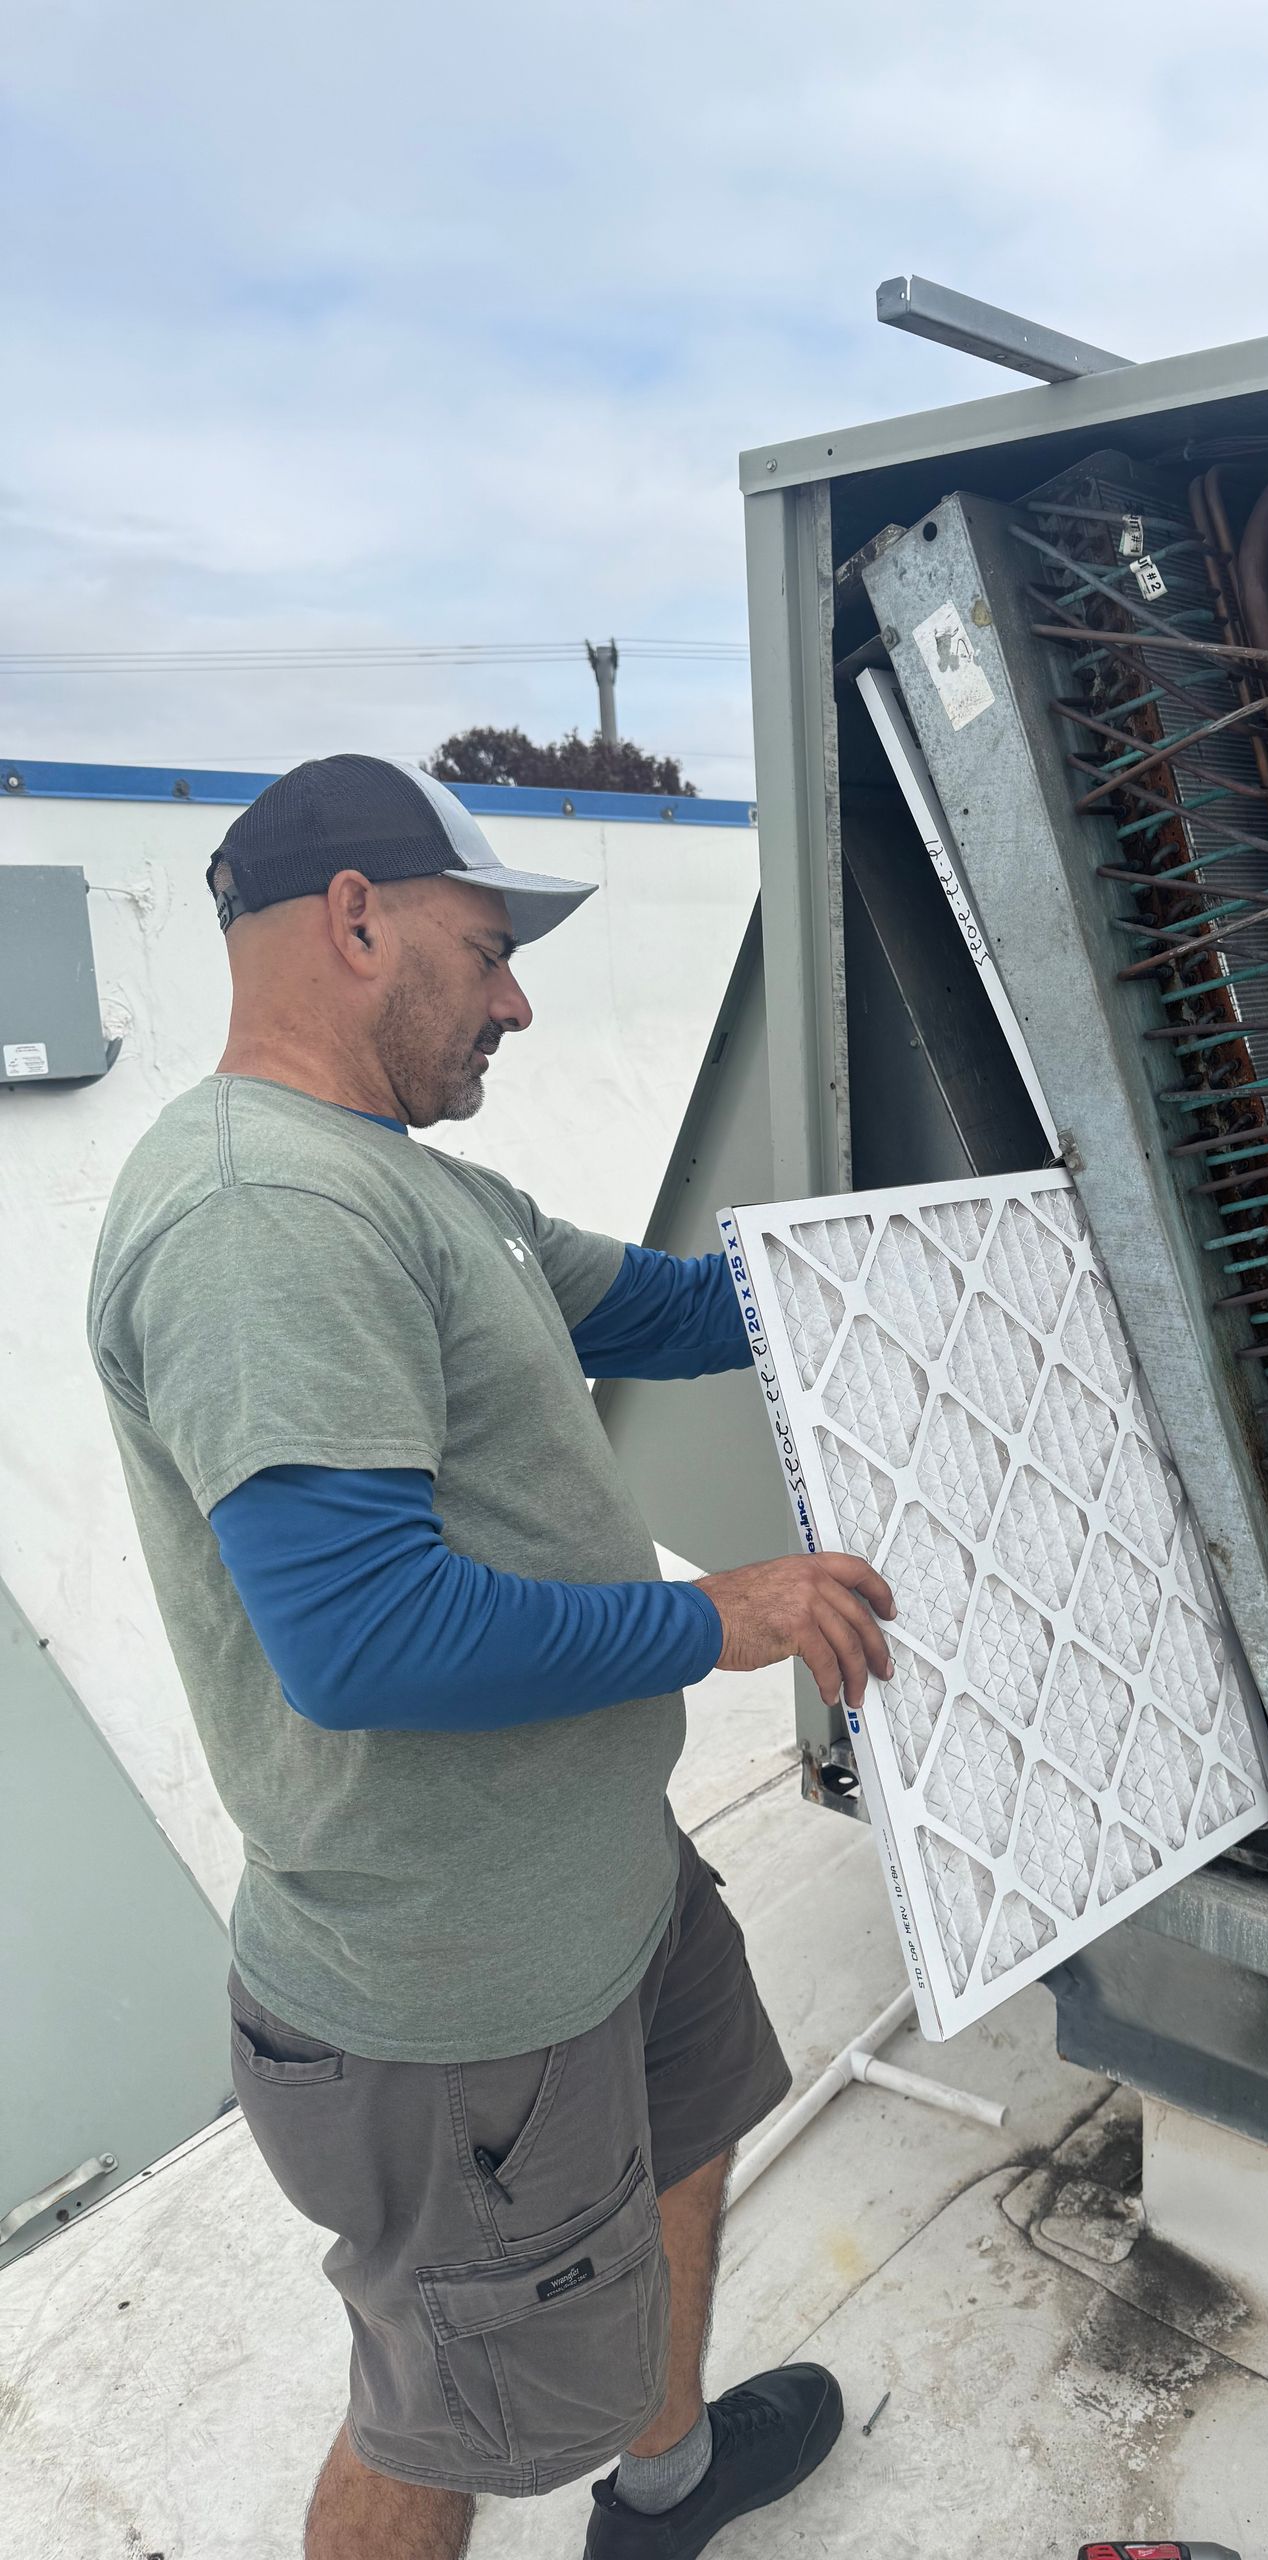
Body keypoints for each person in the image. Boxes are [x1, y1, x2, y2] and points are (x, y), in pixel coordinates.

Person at [86, 754, 895, 2560]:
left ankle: (665, 2491)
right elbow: (362, 1639)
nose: (520, 998)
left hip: (600, 1893)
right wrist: (723, 1615)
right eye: (490, 946)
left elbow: (682, 1308)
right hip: (457, 2002)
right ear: (359, 919)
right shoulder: (263, 1217)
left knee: (690, 2137)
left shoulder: (422, 1189)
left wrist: (914, 1257)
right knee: (440, 2412)